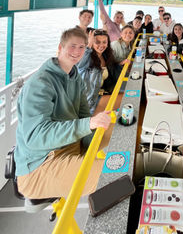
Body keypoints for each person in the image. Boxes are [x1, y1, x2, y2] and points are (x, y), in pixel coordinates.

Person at [14, 28, 112, 209]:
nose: (76, 52)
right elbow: (35, 136)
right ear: (60, 47)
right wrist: (88, 124)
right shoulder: (40, 83)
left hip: (71, 145)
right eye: (72, 46)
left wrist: (101, 143)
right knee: (113, 176)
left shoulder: (75, 78)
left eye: (81, 47)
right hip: (40, 164)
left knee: (120, 143)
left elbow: (83, 115)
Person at [77, 29, 118, 115]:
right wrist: (88, 46)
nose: (101, 45)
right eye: (97, 42)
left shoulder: (105, 56)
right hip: (89, 104)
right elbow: (79, 64)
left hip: (101, 94)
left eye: (104, 42)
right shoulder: (87, 58)